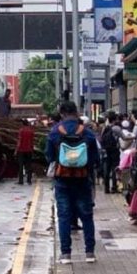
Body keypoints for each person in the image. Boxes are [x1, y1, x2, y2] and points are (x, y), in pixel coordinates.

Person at [46, 101, 99, 265]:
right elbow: (96, 158)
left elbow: (48, 156)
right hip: (83, 180)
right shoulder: (87, 133)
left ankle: (66, 254)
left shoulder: (55, 132)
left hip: (62, 180)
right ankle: (90, 253)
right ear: (76, 113)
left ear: (61, 114)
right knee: (87, 216)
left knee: (63, 217)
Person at [101, 112, 122, 194]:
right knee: (114, 168)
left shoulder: (105, 127)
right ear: (115, 119)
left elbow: (102, 138)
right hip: (114, 150)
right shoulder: (116, 128)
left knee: (107, 169)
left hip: (106, 150)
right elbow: (123, 137)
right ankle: (114, 187)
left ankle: (106, 188)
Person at [15, 119, 36, 185]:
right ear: (27, 123)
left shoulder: (21, 130)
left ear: (22, 124)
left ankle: (21, 181)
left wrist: (16, 150)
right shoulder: (31, 131)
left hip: (21, 150)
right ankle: (29, 180)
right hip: (29, 150)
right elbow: (32, 142)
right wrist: (32, 149)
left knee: (21, 166)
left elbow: (19, 141)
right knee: (29, 165)